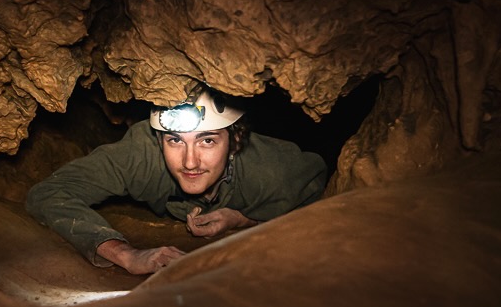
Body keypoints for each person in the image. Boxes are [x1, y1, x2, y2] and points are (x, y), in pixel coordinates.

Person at [25, 83, 327, 275]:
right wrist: (126, 254)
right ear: (159, 140)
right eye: (174, 141)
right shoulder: (140, 155)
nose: (189, 161)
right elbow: (49, 193)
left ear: (234, 142)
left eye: (207, 141)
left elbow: (329, 202)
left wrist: (244, 219)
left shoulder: (272, 171)